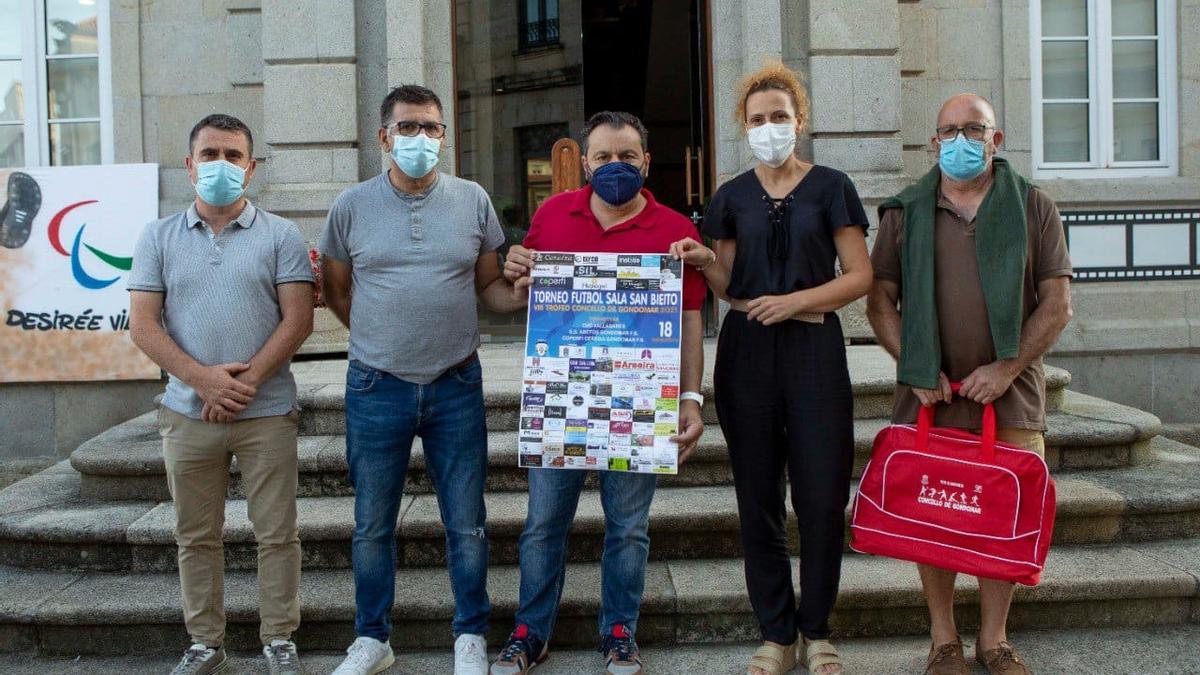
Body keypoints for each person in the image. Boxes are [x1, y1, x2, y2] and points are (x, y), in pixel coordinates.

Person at [671, 61, 872, 675]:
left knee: (821, 495)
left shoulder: (833, 186)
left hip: (814, 351)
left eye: (779, 117)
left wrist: (798, 301)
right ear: (743, 126)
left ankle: (818, 629)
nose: (769, 127)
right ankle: (777, 635)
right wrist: (707, 259)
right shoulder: (729, 195)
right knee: (757, 497)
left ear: (800, 121)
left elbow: (860, 276)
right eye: (757, 119)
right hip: (749, 355)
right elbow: (733, 288)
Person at [319, 84, 527, 675]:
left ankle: (469, 634)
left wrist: (526, 292)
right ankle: (372, 638)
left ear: (444, 136)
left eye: (431, 128)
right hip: (374, 385)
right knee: (371, 522)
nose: (421, 139)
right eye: (408, 128)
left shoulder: (472, 200)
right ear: (384, 137)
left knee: (466, 519)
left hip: (455, 382)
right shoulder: (351, 206)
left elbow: (489, 288)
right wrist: (380, 335)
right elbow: (335, 290)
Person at [492, 111, 707, 675]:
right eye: (604, 158)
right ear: (584, 163)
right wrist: (517, 269)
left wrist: (692, 398)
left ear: (646, 162)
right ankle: (529, 632)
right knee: (543, 524)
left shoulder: (675, 230)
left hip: (638, 403)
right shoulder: (551, 215)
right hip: (561, 402)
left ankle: (618, 632)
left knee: (629, 528)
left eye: (628, 157)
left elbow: (688, 320)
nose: (616, 167)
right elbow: (524, 297)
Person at [865, 93, 1073, 675]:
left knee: (999, 514)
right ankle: (944, 640)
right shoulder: (904, 210)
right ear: (933, 143)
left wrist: (1006, 368)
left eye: (973, 130)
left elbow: (1057, 304)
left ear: (996, 139)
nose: (960, 141)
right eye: (949, 131)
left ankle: (995, 641)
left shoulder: (1034, 206)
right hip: (928, 397)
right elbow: (879, 301)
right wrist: (915, 361)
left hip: (1010, 398)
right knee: (931, 514)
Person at [127, 114, 314, 675]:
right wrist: (204, 381)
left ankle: (279, 637)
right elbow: (143, 326)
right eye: (210, 155)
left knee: (277, 533)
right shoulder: (156, 236)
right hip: (187, 412)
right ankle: (205, 642)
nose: (221, 166)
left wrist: (243, 383)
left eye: (234, 156)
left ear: (251, 168)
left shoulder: (280, 235)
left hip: (267, 412)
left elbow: (297, 319)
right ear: (189, 166)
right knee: (195, 535)